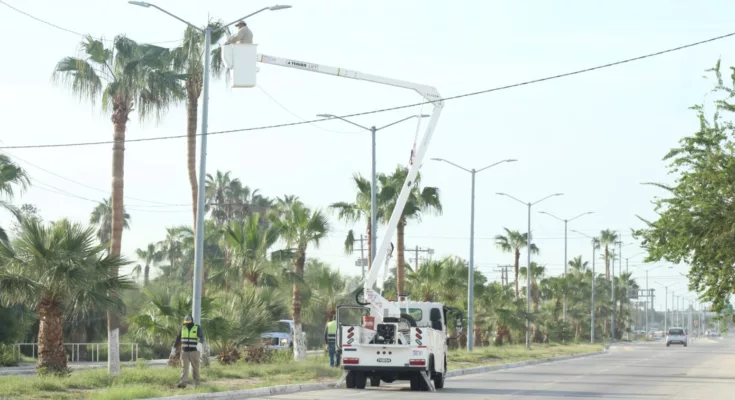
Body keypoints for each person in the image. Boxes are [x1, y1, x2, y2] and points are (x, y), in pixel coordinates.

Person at [171, 315, 204, 388]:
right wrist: (174, 348)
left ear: (192, 321)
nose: (187, 324)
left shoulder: (197, 327)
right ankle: (183, 383)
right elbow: (178, 338)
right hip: (184, 352)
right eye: (186, 322)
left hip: (194, 351)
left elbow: (202, 337)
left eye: (188, 322)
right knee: (184, 368)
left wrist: (200, 343)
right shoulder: (182, 328)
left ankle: (196, 383)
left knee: (195, 368)